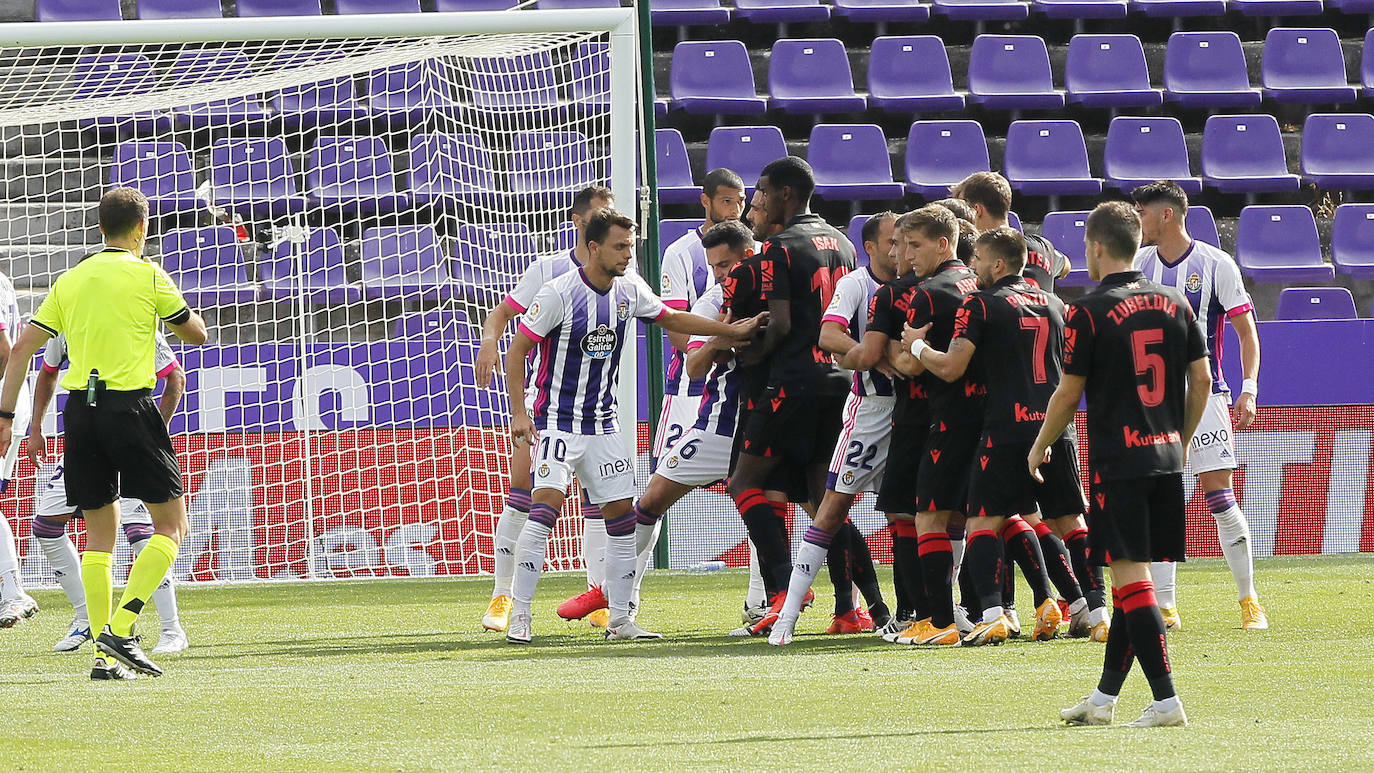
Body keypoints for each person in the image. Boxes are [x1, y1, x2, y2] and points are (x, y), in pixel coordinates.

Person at [502, 208, 764, 644]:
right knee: (544, 509)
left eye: (632, 245)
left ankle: (621, 620)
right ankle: (521, 616)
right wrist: (519, 413)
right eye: (620, 246)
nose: (628, 253)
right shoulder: (557, 294)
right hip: (557, 424)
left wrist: (730, 331)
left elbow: (673, 320)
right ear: (593, 247)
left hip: (605, 426)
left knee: (622, 522)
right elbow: (517, 351)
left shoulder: (629, 289)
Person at [0, 187, 208, 680]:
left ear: (98, 230)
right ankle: (123, 625)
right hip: (129, 407)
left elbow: (25, 350)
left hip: (81, 414)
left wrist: (6, 418)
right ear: (142, 228)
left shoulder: (70, 279)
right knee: (171, 527)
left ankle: (102, 657)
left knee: (99, 538)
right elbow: (195, 335)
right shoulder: (147, 274)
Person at [1030, 201, 1210, 728]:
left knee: (1131, 586)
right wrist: (1181, 437)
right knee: (1139, 586)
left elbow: (1067, 392)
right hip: (1166, 460)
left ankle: (1167, 701)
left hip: (1121, 462)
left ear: (1096, 247)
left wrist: (1040, 445)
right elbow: (1200, 381)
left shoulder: (1087, 310)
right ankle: (1105, 700)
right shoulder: (1176, 301)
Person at [901, 227, 1095, 645]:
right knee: (1069, 520)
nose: (973, 268)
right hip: (1057, 426)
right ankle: (1094, 610)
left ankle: (994, 613)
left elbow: (951, 367)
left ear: (999, 264)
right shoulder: (1057, 303)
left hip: (1008, 425)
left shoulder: (981, 304)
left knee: (983, 519)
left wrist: (916, 347)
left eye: (979, 260)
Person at [723, 157, 855, 637]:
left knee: (744, 482)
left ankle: (781, 593)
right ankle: (851, 607)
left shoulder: (781, 246)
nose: (756, 198)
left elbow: (778, 325)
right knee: (825, 500)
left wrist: (746, 354)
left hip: (794, 382)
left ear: (785, 193)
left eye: (762, 189)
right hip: (838, 382)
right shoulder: (842, 243)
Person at [475, 186, 613, 633]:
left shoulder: (621, 273)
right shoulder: (549, 270)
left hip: (599, 409)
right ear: (578, 222)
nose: (607, 219)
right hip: (546, 405)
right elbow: (502, 314)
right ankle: (502, 596)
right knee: (524, 492)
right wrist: (490, 342)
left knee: (600, 501)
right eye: (599, 214)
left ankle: (598, 597)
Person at [1131, 181, 1267, 631]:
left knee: (1221, 496)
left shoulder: (1216, 264)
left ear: (1166, 214)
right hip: (1152, 401)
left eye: (1143, 211)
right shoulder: (1140, 263)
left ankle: (1249, 600)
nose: (1138, 219)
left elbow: (1247, 332)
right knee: (1161, 500)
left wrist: (1249, 387)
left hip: (1205, 395)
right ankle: (1166, 607)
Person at [767, 212, 900, 644]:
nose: (901, 248)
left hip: (915, 415)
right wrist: (873, 356)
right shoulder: (856, 285)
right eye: (893, 241)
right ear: (872, 248)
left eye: (907, 241)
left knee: (912, 516)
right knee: (830, 509)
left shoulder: (920, 285)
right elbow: (829, 336)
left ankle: (920, 611)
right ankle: (787, 615)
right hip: (869, 412)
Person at [29, 332, 189, 654]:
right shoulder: (69, 317)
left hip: (131, 436)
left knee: (142, 531)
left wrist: (151, 438)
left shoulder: (134, 316)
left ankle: (171, 628)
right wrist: (36, 428)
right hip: (88, 439)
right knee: (46, 523)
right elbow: (47, 371)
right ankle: (87, 618)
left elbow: (175, 378)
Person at [631, 221, 753, 611]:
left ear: (748, 257)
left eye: (725, 265)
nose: (719, 275)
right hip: (716, 419)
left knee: (818, 509)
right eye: (714, 266)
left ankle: (845, 604)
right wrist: (726, 337)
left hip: (769, 421)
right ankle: (619, 595)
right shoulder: (713, 300)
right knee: (652, 498)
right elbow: (693, 363)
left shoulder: (779, 292)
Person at [883, 205, 983, 647]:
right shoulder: (982, 283)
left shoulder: (926, 293)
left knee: (927, 516)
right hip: (994, 414)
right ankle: (1045, 605)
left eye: (914, 245)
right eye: (903, 244)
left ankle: (939, 620)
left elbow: (910, 364)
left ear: (944, 243)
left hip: (944, 417)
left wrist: (907, 350)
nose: (905, 254)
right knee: (1003, 515)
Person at [951, 172, 1070, 292]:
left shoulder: (976, 255)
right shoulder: (1042, 247)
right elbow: (1066, 266)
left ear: (977, 210)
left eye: (964, 208)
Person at [0, 267, 38, 629]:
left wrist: (4, 413)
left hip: (4, 402)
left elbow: (5, 350)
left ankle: (13, 592)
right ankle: (11, 590)